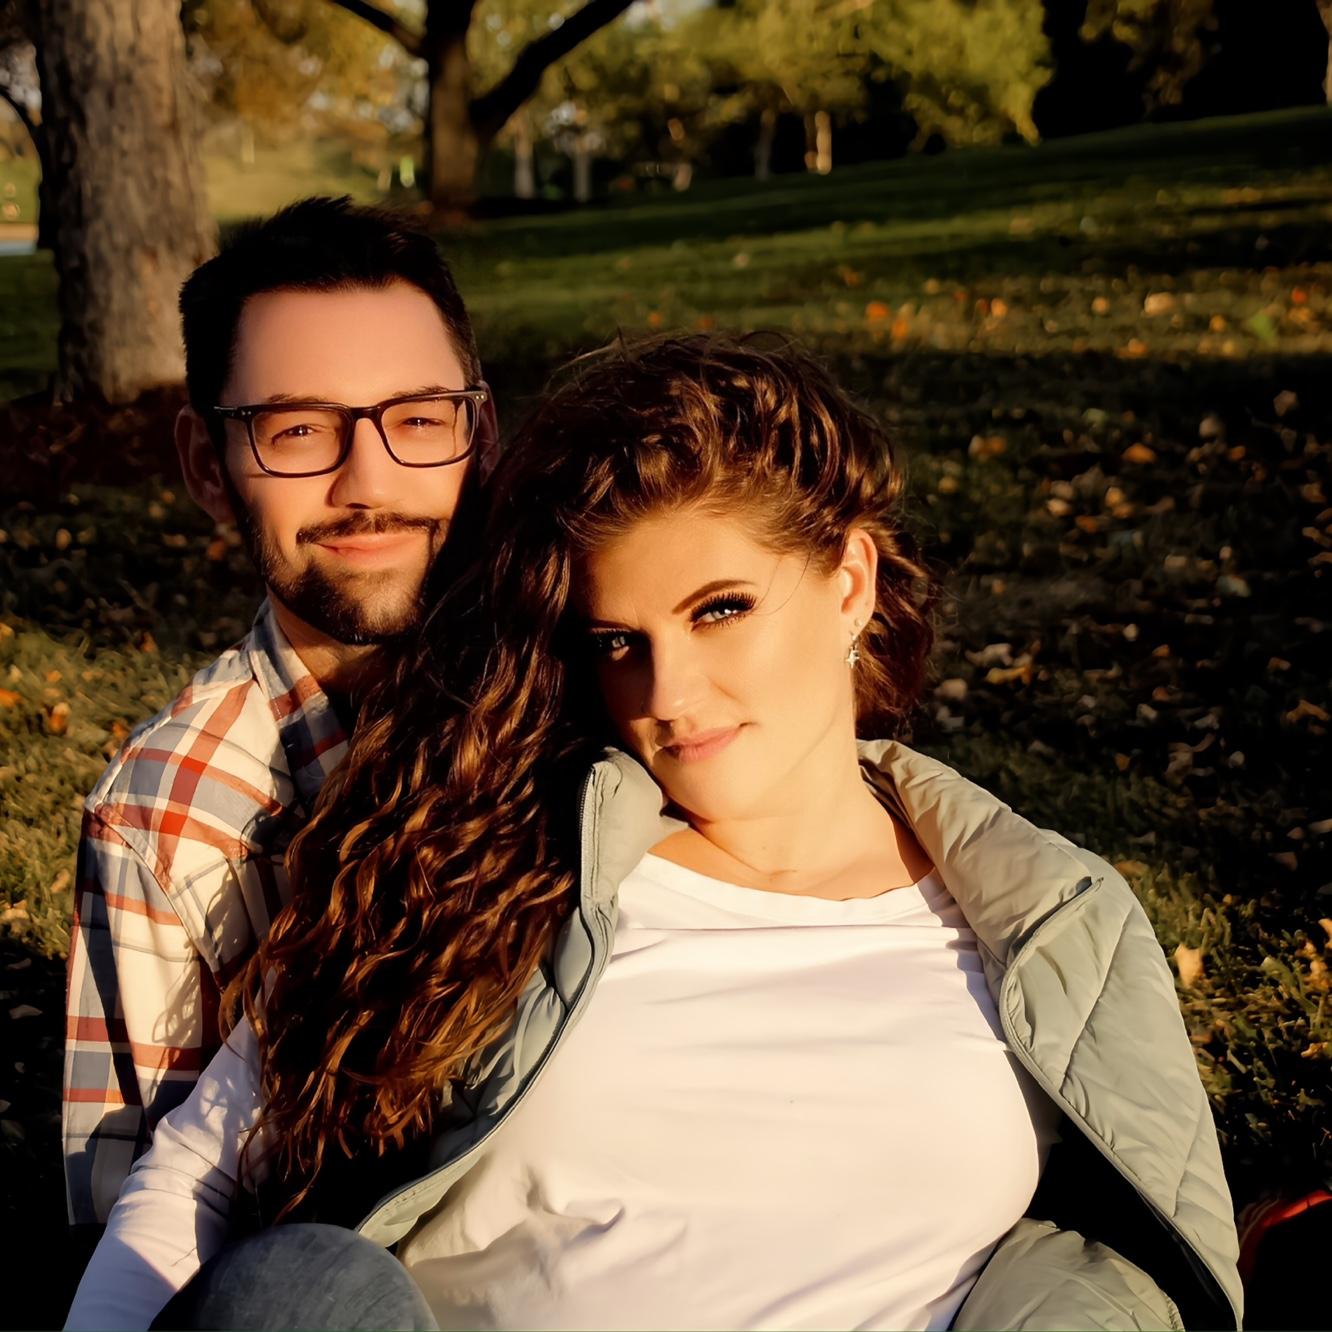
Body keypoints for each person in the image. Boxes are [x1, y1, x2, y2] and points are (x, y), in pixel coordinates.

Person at [67, 335, 1242, 1331]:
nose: (666, 695)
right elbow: (200, 1171)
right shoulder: (491, 862)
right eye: (618, 642)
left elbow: (1152, 1252)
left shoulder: (1052, 924)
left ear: (849, 583)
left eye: (720, 610)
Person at [61, 196, 494, 1227]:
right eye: (298, 430)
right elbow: (139, 1223)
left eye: (418, 419)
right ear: (207, 468)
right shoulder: (169, 820)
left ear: (478, 432)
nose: (369, 483)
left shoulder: (618, 673)